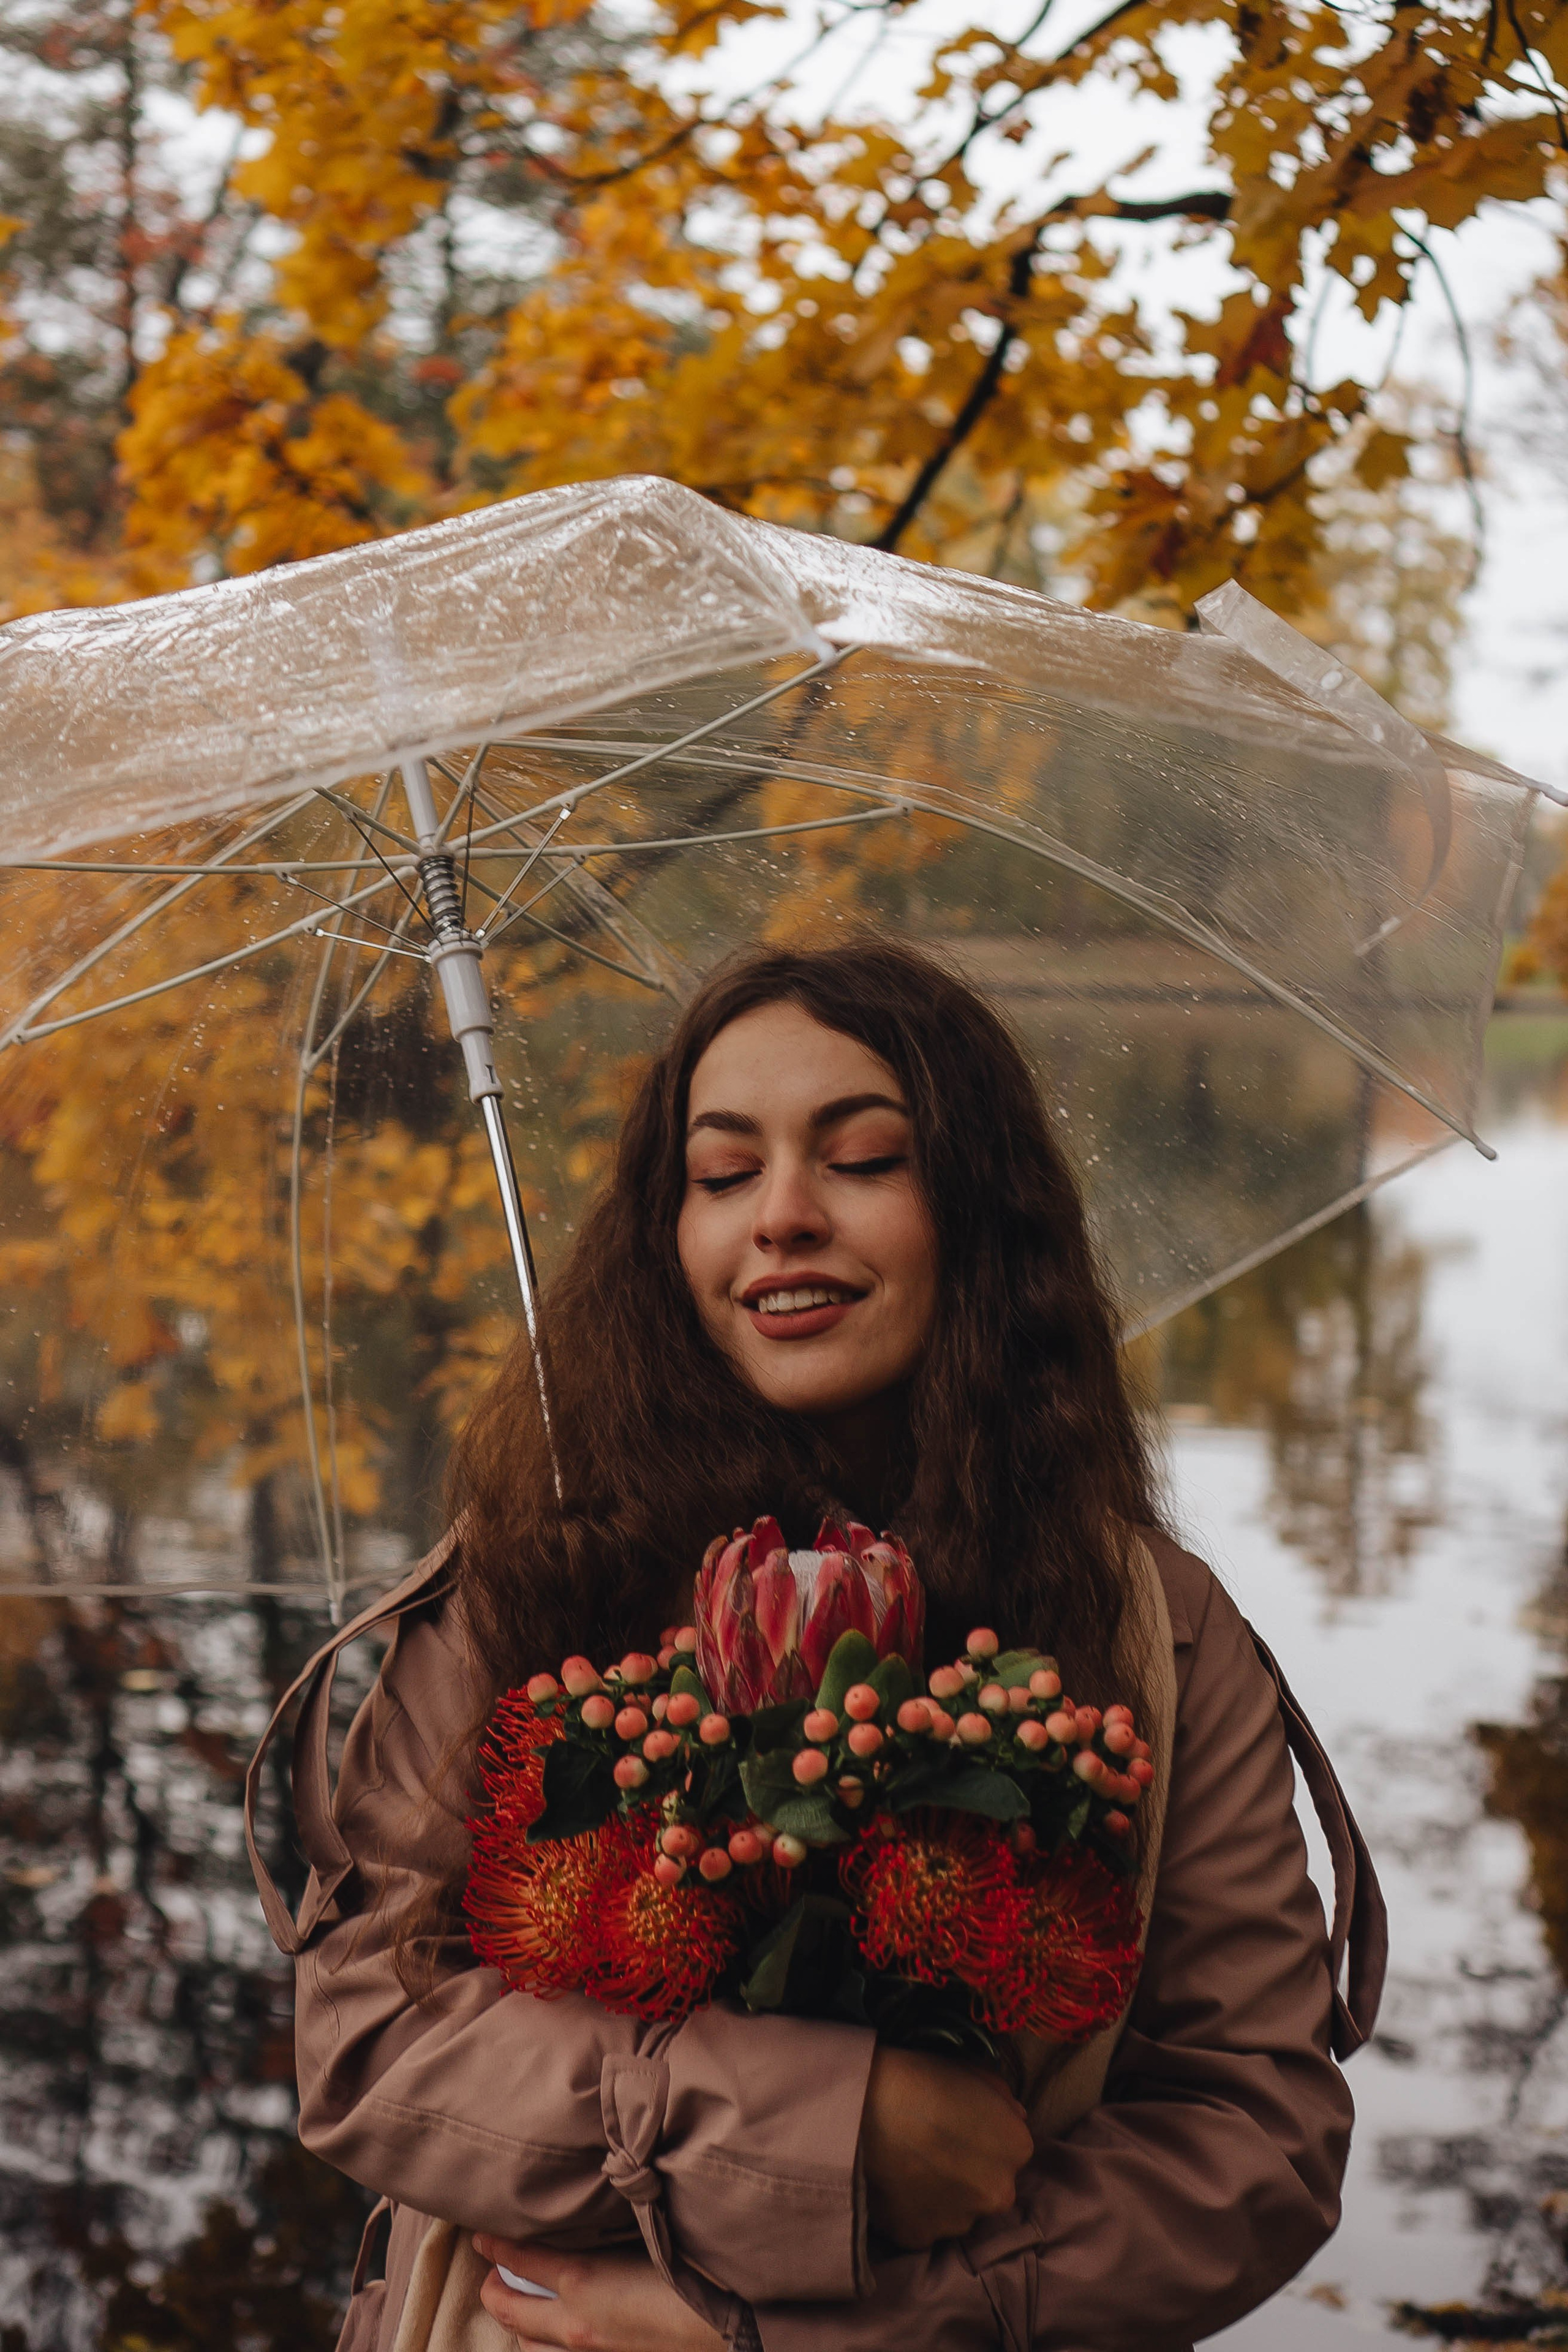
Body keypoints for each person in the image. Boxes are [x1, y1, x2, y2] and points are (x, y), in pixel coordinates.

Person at [245, 938, 1383, 2352]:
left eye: (860, 1160)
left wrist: (833, 2331)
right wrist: (818, 2131)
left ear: (976, 1214)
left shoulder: (1152, 1625)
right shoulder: (532, 1571)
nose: (779, 1217)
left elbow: (1250, 2135)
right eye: (721, 1178)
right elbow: (368, 2041)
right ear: (668, 1232)